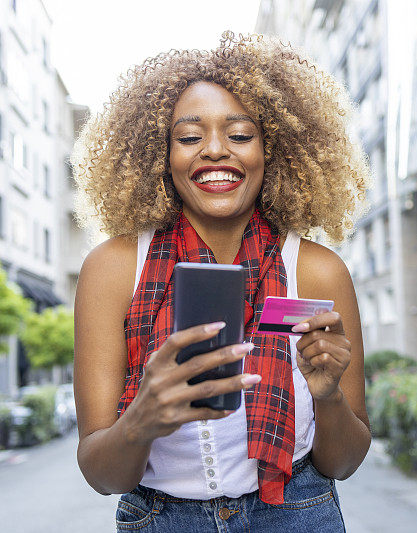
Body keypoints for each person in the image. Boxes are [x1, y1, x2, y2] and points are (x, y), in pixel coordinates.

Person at [72, 31, 372, 532]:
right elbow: (103, 476)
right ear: (161, 155)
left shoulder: (318, 270)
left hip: (296, 512)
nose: (215, 151)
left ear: (272, 149)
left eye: (239, 134)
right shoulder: (115, 268)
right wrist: (143, 416)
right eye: (189, 137)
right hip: (160, 518)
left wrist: (328, 395)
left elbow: (343, 463)